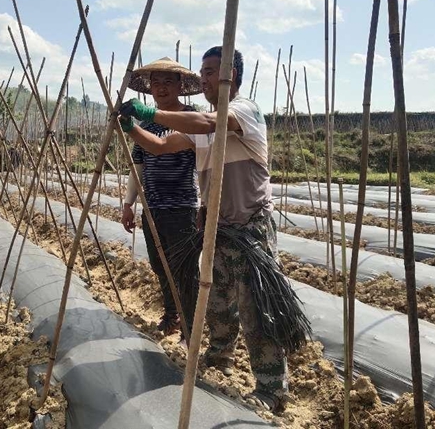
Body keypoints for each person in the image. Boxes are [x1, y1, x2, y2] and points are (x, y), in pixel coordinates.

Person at [118, 47, 311, 412]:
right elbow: (159, 147)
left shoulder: (242, 111)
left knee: (257, 306)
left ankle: (272, 388)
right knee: (219, 300)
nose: (205, 78)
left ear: (231, 75)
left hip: (250, 226)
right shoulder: (202, 125)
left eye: (211, 72)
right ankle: (220, 357)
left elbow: (210, 123)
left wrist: (148, 111)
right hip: (218, 228)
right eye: (203, 72)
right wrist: (132, 128)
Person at [121, 57, 201, 341]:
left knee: (186, 269)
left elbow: (163, 150)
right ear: (149, 89)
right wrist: (129, 203)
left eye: (168, 82)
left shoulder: (191, 119)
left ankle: (191, 330)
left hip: (183, 207)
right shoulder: (146, 123)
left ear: (180, 86)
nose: (162, 88)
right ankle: (172, 315)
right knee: (160, 266)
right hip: (153, 207)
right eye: (156, 83)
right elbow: (138, 165)